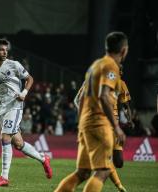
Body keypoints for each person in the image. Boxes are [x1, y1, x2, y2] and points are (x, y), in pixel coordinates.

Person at [54, 31, 128, 192]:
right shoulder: (111, 66)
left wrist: (81, 125)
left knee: (82, 172)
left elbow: (80, 99)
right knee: (103, 171)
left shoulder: (94, 67)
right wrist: (116, 127)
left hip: (86, 123)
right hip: (100, 123)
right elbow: (103, 95)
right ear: (124, 50)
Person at [0, 38, 52, 187]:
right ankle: (43, 159)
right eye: (1, 49)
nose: (5, 52)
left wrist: (24, 92)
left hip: (15, 105)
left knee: (5, 136)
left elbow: (29, 79)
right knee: (18, 143)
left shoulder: (14, 65)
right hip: (0, 108)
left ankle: (4, 177)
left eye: (6, 50)